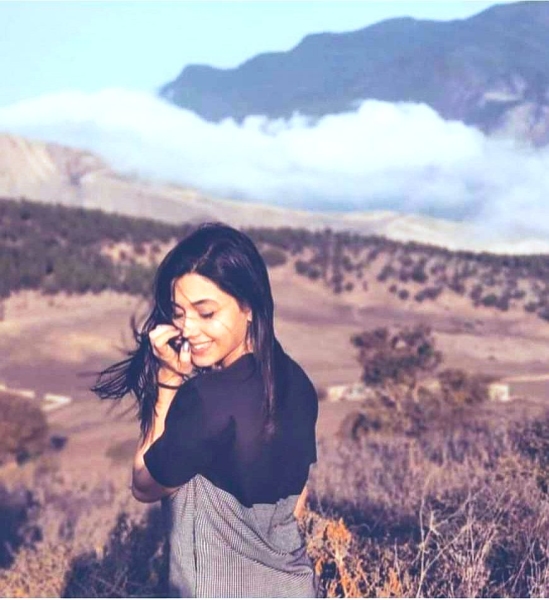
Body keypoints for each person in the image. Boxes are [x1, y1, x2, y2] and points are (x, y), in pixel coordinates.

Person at [92, 222, 319, 597]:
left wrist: (168, 381)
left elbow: (144, 485)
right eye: (178, 313)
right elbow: (297, 502)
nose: (188, 329)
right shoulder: (297, 383)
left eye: (206, 313)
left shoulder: (206, 399)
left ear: (249, 305)